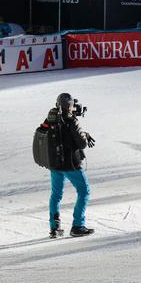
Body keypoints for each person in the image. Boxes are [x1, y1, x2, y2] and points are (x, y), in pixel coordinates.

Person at [46, 93, 95, 238]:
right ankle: (78, 226)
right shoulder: (72, 121)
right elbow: (81, 144)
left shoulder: (51, 118)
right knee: (84, 191)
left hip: (55, 164)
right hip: (70, 164)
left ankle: (54, 228)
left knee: (56, 195)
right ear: (69, 106)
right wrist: (84, 135)